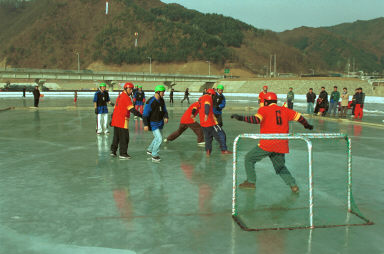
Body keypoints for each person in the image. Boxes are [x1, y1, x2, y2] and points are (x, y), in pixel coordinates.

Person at [230, 92, 314, 193]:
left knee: (249, 158)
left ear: (265, 102)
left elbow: (256, 119)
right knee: (280, 167)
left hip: (267, 144)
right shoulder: (285, 110)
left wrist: (241, 118)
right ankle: (293, 185)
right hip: (281, 144)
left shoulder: (264, 109)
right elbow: (300, 117)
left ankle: (251, 182)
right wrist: (306, 125)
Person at [110, 82, 143, 159]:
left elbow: (116, 108)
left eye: (132, 89)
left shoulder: (120, 96)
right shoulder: (126, 97)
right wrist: (141, 115)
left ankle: (113, 151)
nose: (131, 91)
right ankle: (123, 153)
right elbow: (132, 109)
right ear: (126, 89)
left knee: (116, 137)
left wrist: (112, 119)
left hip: (116, 120)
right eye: (130, 89)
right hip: (122, 121)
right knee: (124, 137)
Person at [197, 88, 231, 156]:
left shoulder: (200, 98)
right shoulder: (208, 97)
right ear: (211, 94)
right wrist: (206, 114)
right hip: (210, 122)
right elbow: (207, 105)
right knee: (222, 134)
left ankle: (208, 151)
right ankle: (224, 150)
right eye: (213, 95)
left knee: (208, 138)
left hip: (203, 123)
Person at [143, 85, 169, 162]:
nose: (163, 93)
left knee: (157, 138)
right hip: (153, 123)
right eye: (162, 92)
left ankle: (150, 149)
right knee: (159, 139)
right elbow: (145, 114)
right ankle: (154, 155)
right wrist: (146, 125)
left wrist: (166, 116)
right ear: (158, 92)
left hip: (160, 123)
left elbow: (164, 110)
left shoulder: (161, 100)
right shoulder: (150, 101)